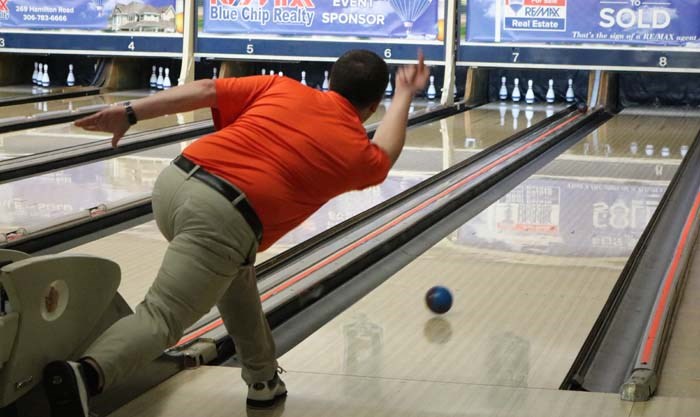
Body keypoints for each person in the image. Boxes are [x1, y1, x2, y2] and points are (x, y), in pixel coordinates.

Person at [42, 49, 429, 416]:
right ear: (374, 105)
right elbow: (386, 151)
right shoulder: (357, 152)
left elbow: (207, 89)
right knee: (162, 316)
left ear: (329, 79)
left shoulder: (283, 87)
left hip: (176, 181)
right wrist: (406, 93)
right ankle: (86, 374)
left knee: (235, 274)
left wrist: (130, 111)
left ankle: (262, 379)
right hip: (222, 218)